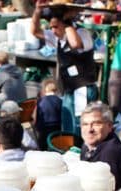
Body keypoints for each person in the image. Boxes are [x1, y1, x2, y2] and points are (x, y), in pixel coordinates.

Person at [30, 1, 97, 134]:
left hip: (82, 88)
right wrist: (37, 11)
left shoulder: (82, 33)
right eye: (51, 27)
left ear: (65, 25)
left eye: (55, 27)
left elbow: (75, 44)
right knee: (67, 124)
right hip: (69, 88)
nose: (52, 31)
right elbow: (35, 31)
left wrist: (67, 22)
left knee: (80, 125)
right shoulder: (57, 38)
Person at [79, 101, 121, 190]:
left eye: (96, 123)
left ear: (109, 126)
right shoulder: (88, 144)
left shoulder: (110, 152)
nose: (90, 129)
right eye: (85, 124)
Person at [34, 77, 62, 151]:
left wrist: (37, 126)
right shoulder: (60, 101)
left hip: (44, 128)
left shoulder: (40, 101)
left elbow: (37, 116)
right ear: (56, 90)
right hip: (57, 128)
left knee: (42, 146)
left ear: (44, 90)